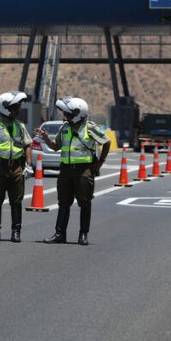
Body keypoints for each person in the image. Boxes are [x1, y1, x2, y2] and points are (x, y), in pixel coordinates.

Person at [34, 97, 110, 246]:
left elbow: (106, 142)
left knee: (85, 203)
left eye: (67, 113)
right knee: (63, 203)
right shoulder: (64, 128)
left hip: (83, 170)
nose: (65, 116)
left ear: (77, 113)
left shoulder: (90, 127)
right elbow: (56, 146)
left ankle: (83, 235)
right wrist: (45, 138)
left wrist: (100, 162)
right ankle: (59, 234)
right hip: (66, 170)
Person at [0, 91, 33, 243]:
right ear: (4, 108)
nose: (17, 110)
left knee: (16, 201)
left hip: (17, 167)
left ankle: (16, 232)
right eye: (14, 107)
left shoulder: (20, 126)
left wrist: (28, 165)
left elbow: (28, 145)